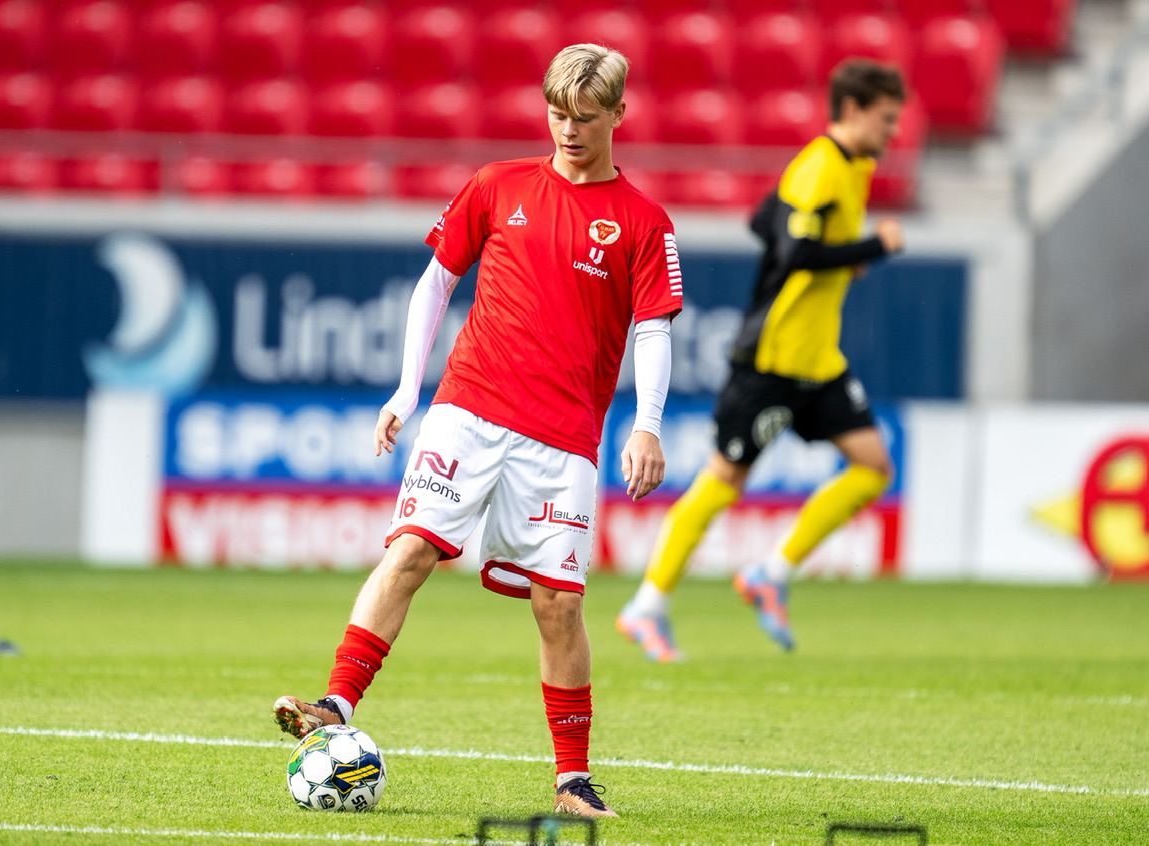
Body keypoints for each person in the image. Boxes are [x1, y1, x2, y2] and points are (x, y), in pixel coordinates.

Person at [273, 43, 682, 818]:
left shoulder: (643, 223)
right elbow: (436, 282)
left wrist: (648, 425)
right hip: (469, 407)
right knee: (412, 550)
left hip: (563, 438)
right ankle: (335, 705)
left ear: (619, 116)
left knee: (558, 606)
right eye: (558, 114)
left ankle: (571, 781)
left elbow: (655, 330)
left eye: (585, 118)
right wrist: (405, 389)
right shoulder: (498, 185)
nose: (568, 130)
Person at [616, 59, 907, 659]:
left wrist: (841, 253)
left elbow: (763, 219)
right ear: (852, 110)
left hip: (818, 359)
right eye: (885, 118)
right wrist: (872, 247)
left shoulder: (854, 168)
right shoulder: (821, 165)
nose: (893, 130)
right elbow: (796, 250)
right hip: (772, 359)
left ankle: (771, 572)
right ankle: (646, 606)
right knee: (725, 480)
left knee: (873, 466)